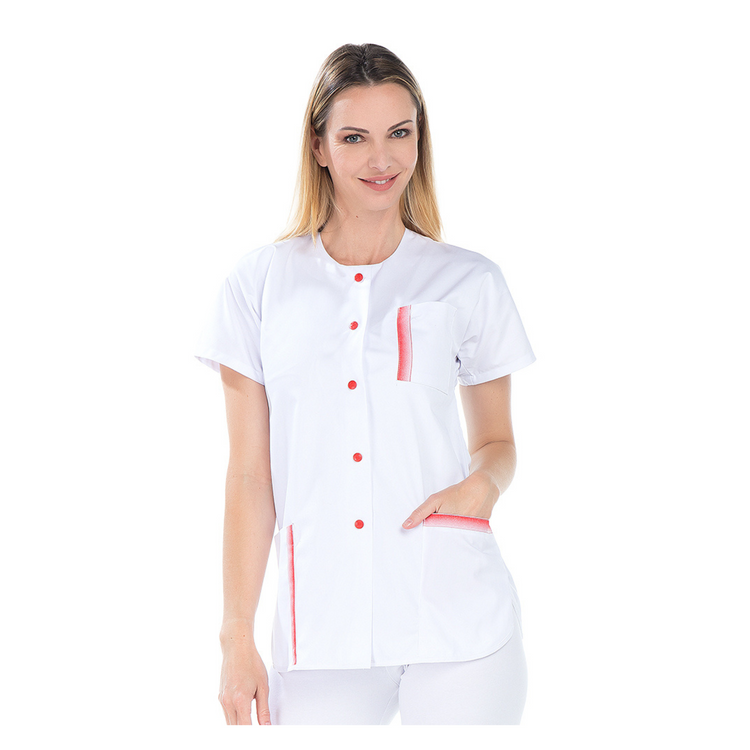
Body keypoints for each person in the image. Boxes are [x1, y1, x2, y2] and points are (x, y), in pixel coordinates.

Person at [194, 42, 536, 725]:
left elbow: (497, 443)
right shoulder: (259, 286)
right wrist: (236, 635)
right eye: (355, 137)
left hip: (456, 614)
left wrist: (484, 485)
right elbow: (250, 476)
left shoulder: (469, 281)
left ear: (419, 139)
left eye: (399, 133)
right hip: (321, 629)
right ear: (318, 146)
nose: (382, 159)